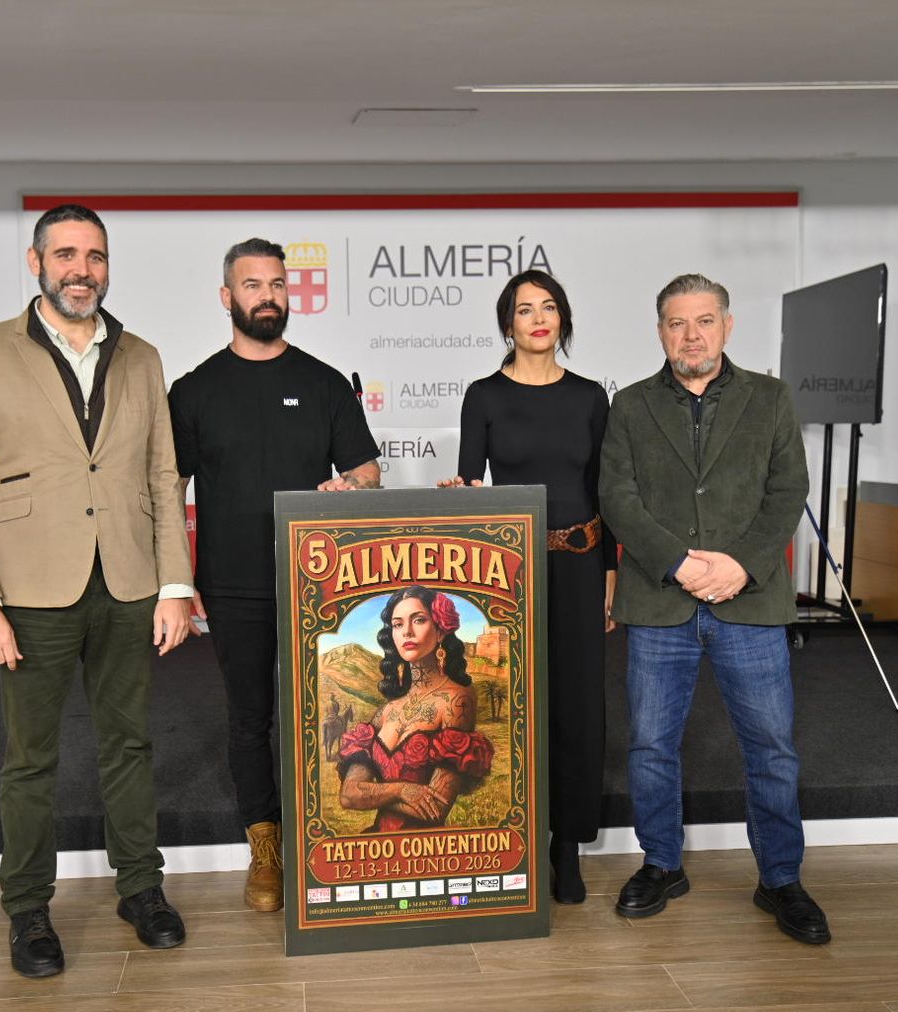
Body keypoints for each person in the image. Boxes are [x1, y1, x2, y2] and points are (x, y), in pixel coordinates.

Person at [0, 204, 192, 977]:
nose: (83, 269)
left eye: (96, 256)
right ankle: (28, 911)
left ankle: (141, 889)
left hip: (128, 583)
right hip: (28, 590)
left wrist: (175, 584)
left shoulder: (141, 355)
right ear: (36, 260)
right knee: (31, 759)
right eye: (68, 253)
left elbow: (160, 474)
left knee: (130, 744)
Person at [599, 272, 829, 945]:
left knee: (772, 748)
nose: (691, 334)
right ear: (661, 331)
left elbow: (788, 490)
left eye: (704, 320)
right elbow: (618, 497)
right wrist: (680, 562)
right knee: (650, 745)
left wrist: (741, 564)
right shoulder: (632, 406)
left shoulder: (771, 397)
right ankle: (661, 864)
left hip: (748, 599)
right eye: (677, 322)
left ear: (727, 325)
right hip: (661, 599)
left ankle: (780, 878)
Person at [168, 238, 381, 912]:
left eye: (277, 284)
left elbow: (368, 471)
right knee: (250, 717)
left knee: (334, 712)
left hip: (325, 585)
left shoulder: (323, 382)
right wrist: (178, 578)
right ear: (227, 298)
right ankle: (266, 849)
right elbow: (168, 488)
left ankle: (336, 837)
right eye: (252, 284)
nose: (267, 295)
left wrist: (350, 486)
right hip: (233, 581)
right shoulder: (194, 390)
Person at [441, 269, 616, 905]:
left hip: (581, 565)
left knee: (577, 705)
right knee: (513, 704)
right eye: (524, 310)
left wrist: (611, 575)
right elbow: (468, 486)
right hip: (510, 576)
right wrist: (458, 501)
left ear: (563, 319)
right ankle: (510, 832)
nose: (538, 318)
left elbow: (607, 492)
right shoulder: (482, 395)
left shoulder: (592, 397)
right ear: (507, 323)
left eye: (549, 308)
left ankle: (564, 847)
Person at [337, 586, 494, 831]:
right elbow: (348, 795)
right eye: (397, 625)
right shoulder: (387, 711)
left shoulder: (455, 700)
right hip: (377, 848)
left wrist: (372, 795)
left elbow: (436, 807)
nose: (407, 632)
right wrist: (403, 789)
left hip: (425, 849)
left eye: (418, 620)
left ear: (440, 629)